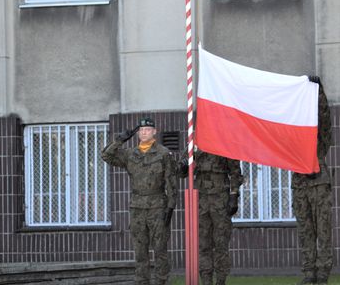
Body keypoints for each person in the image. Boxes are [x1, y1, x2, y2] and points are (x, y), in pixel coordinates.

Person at [101, 117, 177, 285]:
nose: (144, 132)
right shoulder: (130, 154)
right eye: (141, 130)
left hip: (158, 206)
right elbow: (106, 155)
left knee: (160, 250)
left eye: (148, 129)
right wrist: (120, 140)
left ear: (154, 132)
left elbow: (172, 182)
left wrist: (170, 208)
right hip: (137, 208)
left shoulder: (164, 154)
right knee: (140, 252)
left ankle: (161, 282)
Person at [178, 148, 245, 285]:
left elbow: (235, 172)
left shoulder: (223, 141)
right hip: (201, 198)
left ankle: (221, 281)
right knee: (203, 244)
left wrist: (234, 195)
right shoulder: (195, 143)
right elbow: (181, 172)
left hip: (220, 198)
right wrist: (184, 164)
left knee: (221, 243)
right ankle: (206, 281)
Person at [292, 75, 333, 285]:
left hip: (318, 183)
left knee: (323, 230)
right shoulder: (294, 132)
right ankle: (309, 274)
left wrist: (319, 93)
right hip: (299, 185)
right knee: (305, 232)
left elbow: (324, 118)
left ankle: (323, 275)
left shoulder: (319, 135)